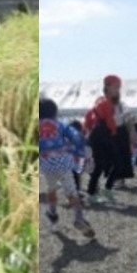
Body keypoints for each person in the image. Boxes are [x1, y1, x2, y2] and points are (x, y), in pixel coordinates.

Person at [39, 98, 95, 238]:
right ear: (54, 112)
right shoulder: (60, 125)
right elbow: (75, 136)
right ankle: (78, 218)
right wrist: (79, 150)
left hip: (46, 164)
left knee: (51, 188)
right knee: (71, 192)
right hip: (63, 162)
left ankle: (52, 212)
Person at [84, 75, 129, 204]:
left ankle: (103, 190)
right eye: (116, 87)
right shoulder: (104, 103)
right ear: (108, 87)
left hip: (102, 136)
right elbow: (109, 121)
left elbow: (88, 120)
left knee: (113, 164)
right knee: (103, 165)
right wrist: (114, 132)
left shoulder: (104, 102)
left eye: (119, 87)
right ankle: (94, 193)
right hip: (103, 136)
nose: (118, 90)